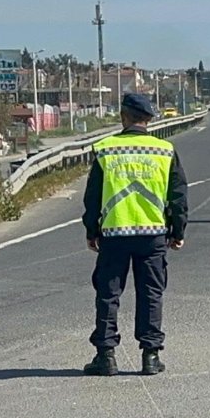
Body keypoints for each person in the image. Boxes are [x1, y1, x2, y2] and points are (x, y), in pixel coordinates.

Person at [81, 93, 188, 376]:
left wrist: (91, 229)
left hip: (114, 233)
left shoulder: (106, 149)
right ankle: (150, 356)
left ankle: (106, 357)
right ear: (149, 119)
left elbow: (92, 196)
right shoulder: (164, 150)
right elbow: (177, 195)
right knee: (151, 293)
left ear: (123, 117)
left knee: (108, 293)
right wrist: (177, 230)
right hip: (153, 234)